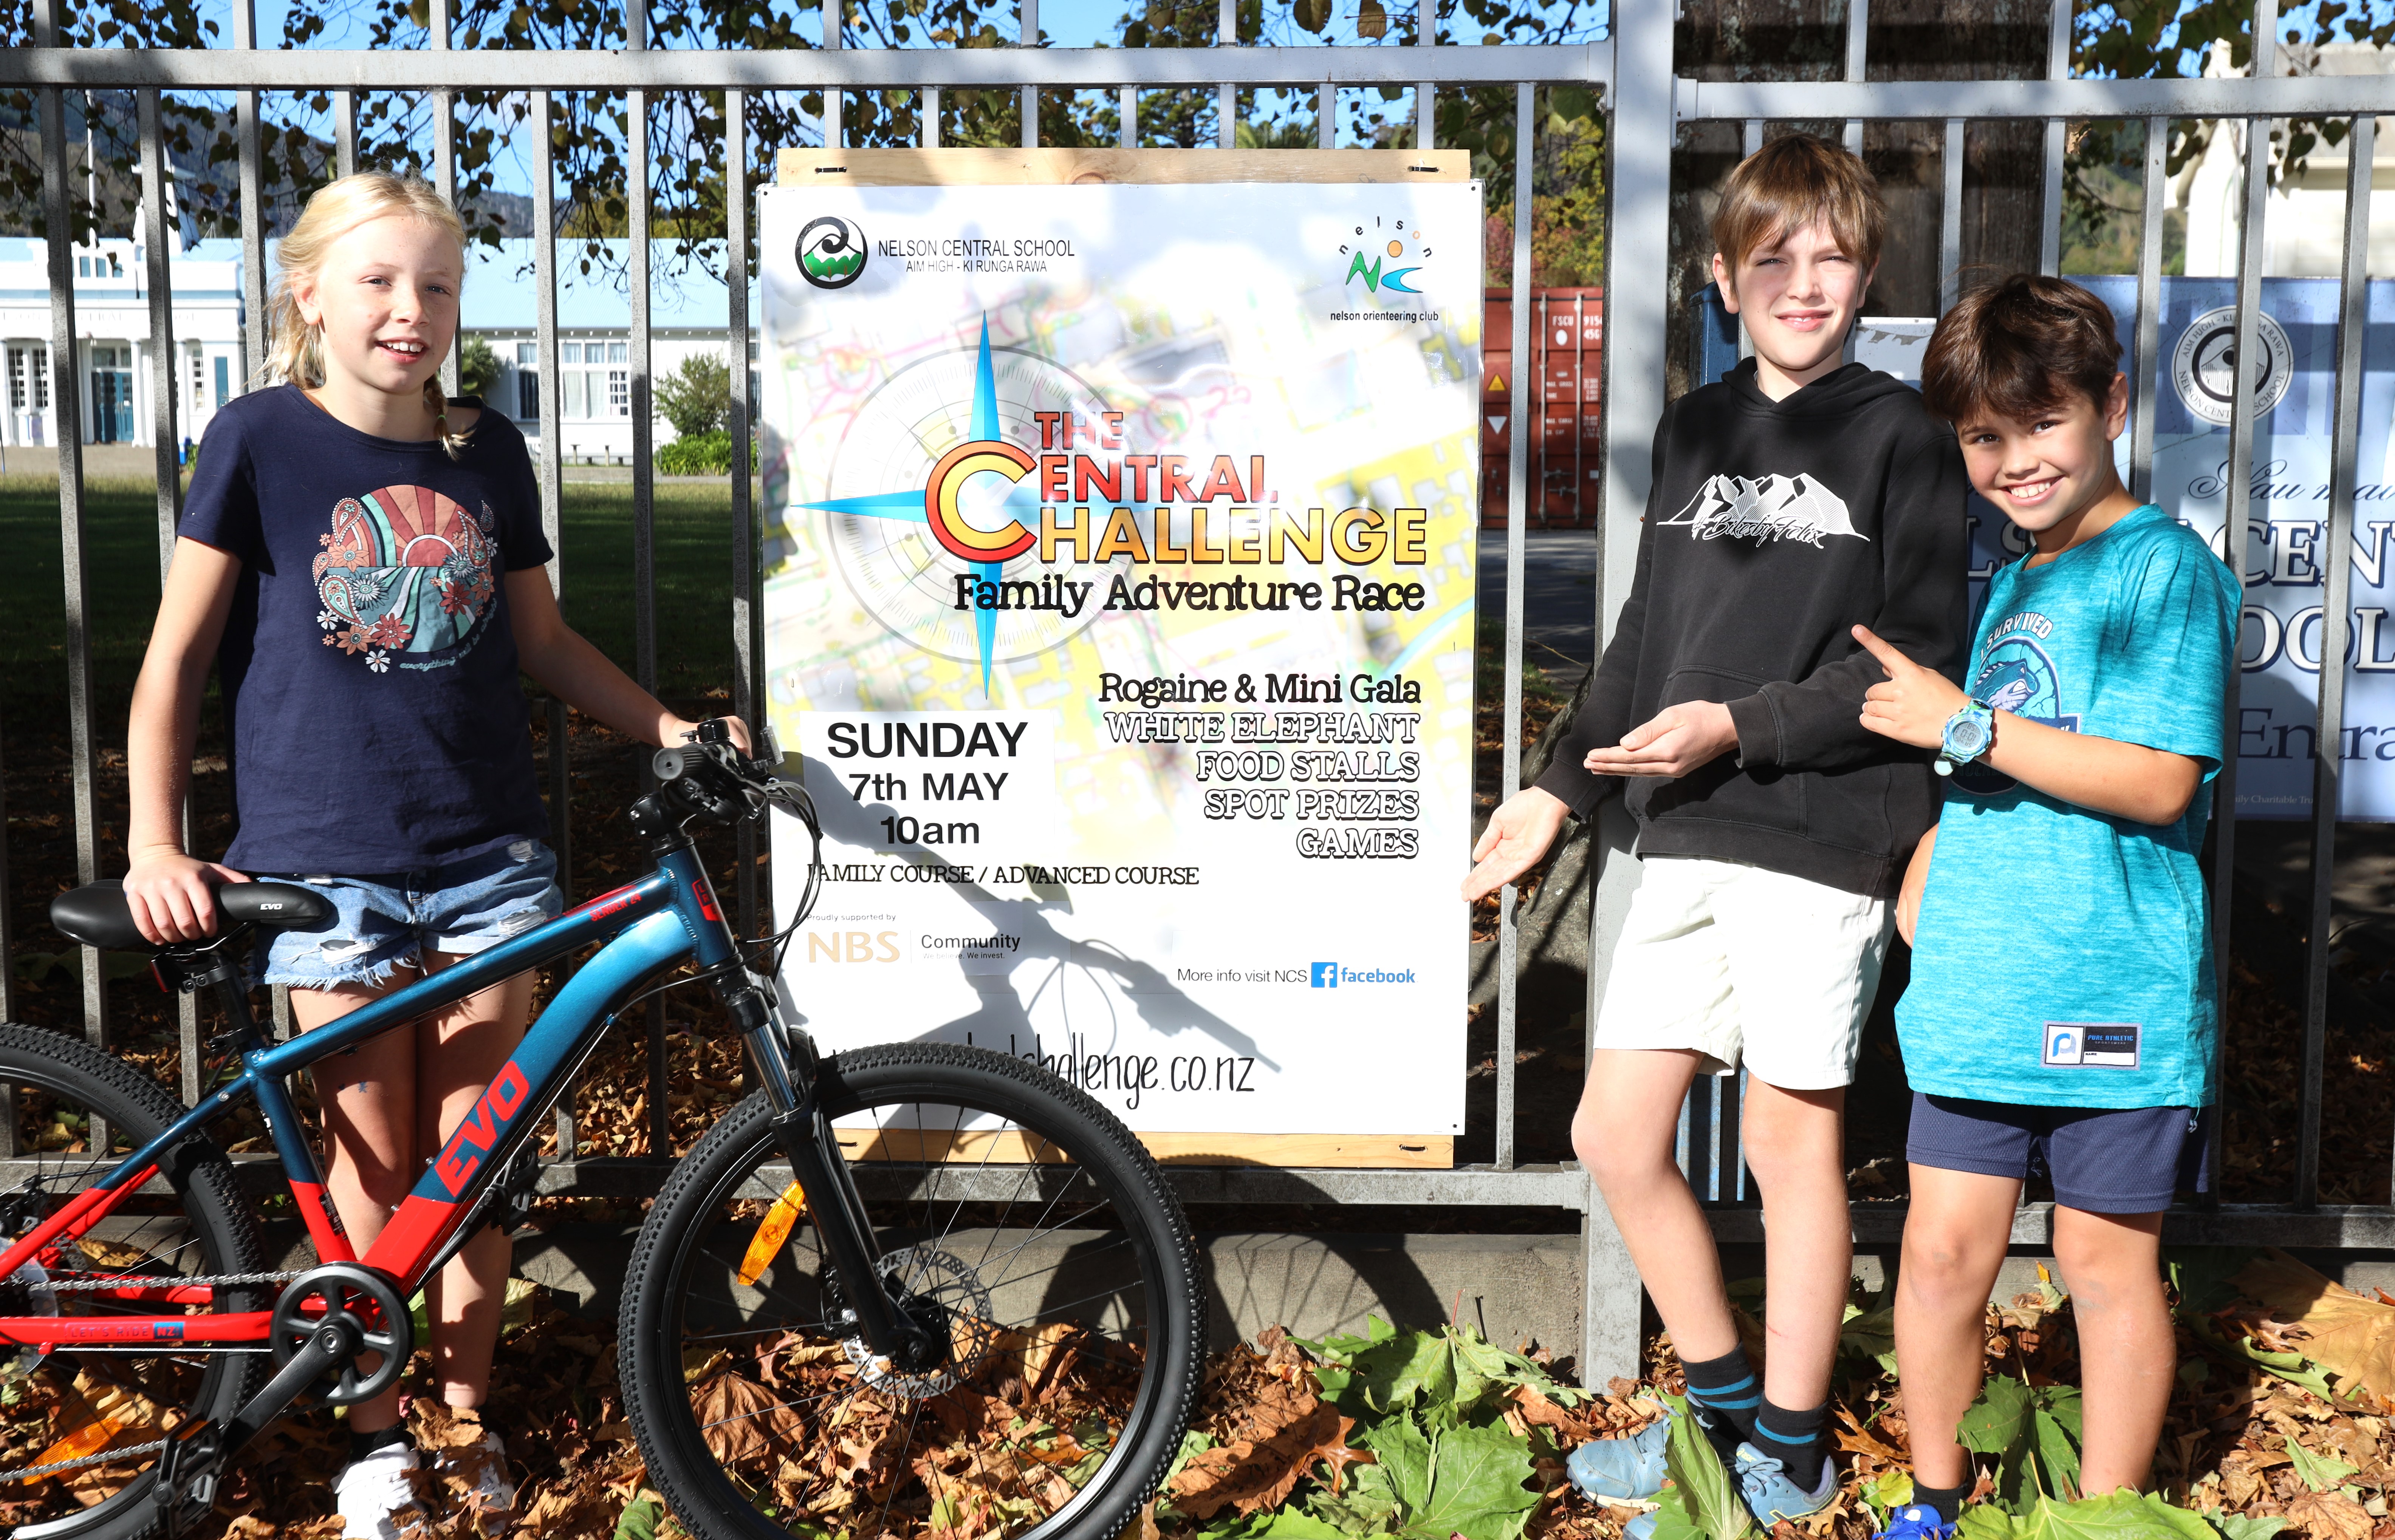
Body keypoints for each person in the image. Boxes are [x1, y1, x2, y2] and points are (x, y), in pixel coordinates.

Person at [118, 171, 743, 1539]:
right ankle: (376, 1436)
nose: (412, 309)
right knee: (375, 1163)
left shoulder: (487, 452)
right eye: (380, 281)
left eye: (439, 285)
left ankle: (461, 1421)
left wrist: (673, 727)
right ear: (310, 295)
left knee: (477, 1164)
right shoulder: (257, 440)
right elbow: (175, 659)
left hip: (485, 861)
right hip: (319, 868)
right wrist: (154, 840)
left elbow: (542, 641)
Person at [1462, 133, 1969, 1530]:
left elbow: (1912, 667)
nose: (1805, 283)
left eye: (1833, 257)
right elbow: (1645, 637)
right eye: (1773, 258)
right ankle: (1727, 1409)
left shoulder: (1904, 438)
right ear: (1721, 274)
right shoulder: (1693, 430)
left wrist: (1736, 725)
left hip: (1820, 830)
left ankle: (1790, 1453)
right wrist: (1554, 791)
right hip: (1679, 830)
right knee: (1615, 1133)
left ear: (1868, 270)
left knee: (1784, 1148)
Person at [1853, 275, 2236, 1538]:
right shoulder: (2020, 572)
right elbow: (2006, 765)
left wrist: (1962, 724)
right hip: (1980, 987)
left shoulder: (2163, 568)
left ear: (2111, 404)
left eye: (2041, 423)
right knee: (1937, 1256)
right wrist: (1934, 856)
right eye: (1982, 436)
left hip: (2108, 986)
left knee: (2100, 1265)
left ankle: (2104, 1518)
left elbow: (2158, 778)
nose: (2013, 460)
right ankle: (1936, 1505)